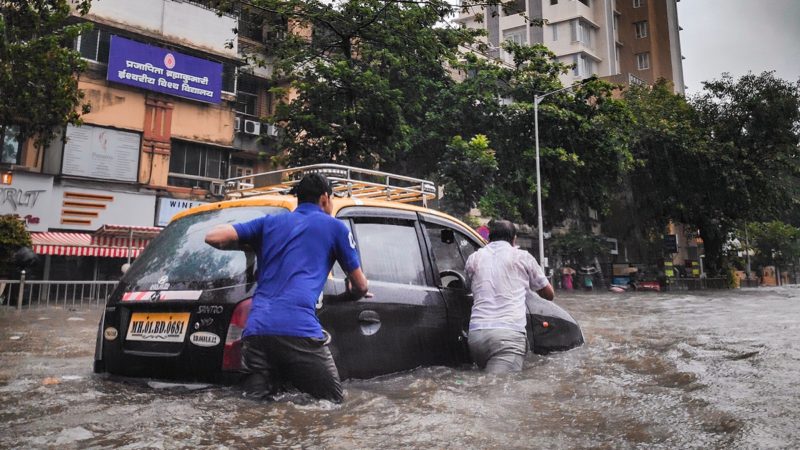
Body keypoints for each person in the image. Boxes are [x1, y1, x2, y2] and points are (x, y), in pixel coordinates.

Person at [204, 173, 370, 403]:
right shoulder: (335, 228)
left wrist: (249, 244)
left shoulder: (268, 223)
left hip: (256, 332)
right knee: (333, 405)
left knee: (254, 408)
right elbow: (361, 285)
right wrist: (352, 292)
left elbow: (213, 237)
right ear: (324, 198)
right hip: (299, 330)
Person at [465, 220, 554, 373]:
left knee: (486, 386)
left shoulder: (474, 258)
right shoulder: (522, 257)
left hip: (476, 336)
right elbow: (548, 294)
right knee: (500, 391)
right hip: (507, 337)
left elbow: (468, 287)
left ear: (489, 238)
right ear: (514, 239)